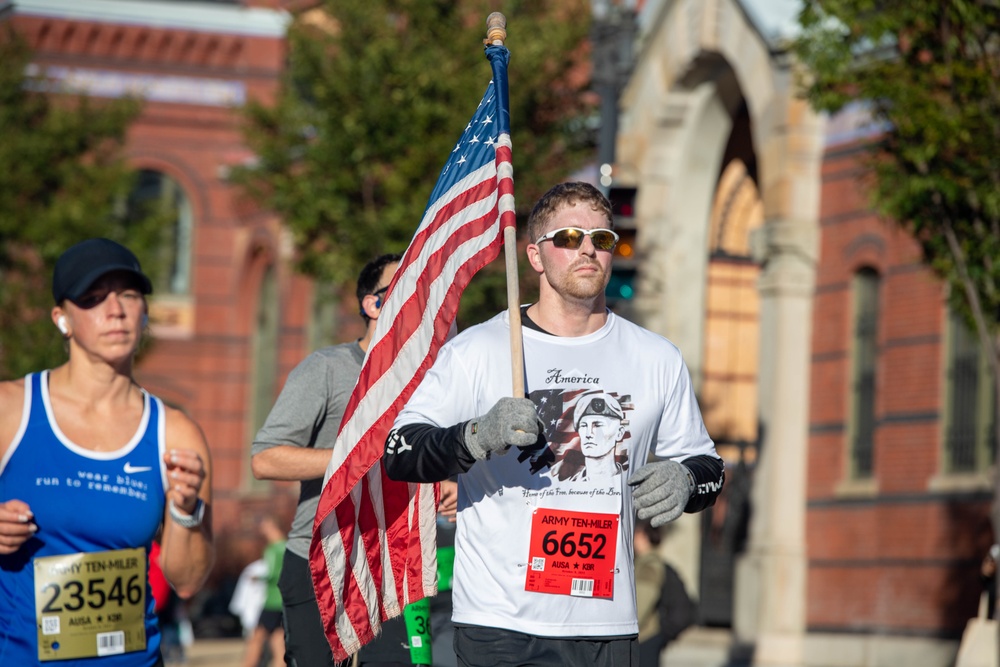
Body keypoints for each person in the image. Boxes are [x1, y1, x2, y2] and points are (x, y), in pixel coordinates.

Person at [383, 181, 725, 666]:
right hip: (502, 621)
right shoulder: (479, 350)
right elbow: (398, 451)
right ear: (535, 257)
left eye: (602, 239)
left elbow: (711, 466)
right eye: (568, 237)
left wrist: (687, 479)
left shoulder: (657, 358)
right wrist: (477, 436)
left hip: (610, 623)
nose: (588, 248)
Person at [0, 238, 214, 666]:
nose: (114, 310)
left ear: (144, 312)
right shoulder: (11, 409)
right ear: (62, 319)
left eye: (129, 294)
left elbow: (187, 579)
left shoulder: (176, 432)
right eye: (93, 298)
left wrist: (185, 509)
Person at [252, 253, 421, 667]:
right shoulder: (327, 368)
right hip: (322, 560)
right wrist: (356, 458)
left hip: (398, 566)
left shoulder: (430, 375)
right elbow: (266, 459)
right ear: (372, 304)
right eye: (400, 287)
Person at [633, 519, 694, 667]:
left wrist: (630, 627)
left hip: (645, 635)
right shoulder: (649, 562)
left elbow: (643, 602)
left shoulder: (649, 564)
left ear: (643, 536)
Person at [241, 516, 287, 667]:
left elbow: (277, 574)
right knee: (277, 639)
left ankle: (249, 664)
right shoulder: (284, 546)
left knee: (256, 638)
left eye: (266, 526)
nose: (263, 530)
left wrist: (259, 578)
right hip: (282, 601)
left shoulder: (277, 548)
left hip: (273, 601)